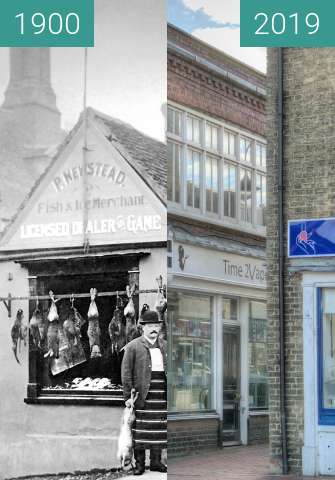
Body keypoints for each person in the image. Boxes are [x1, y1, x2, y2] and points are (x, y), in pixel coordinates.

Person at [121, 310, 167, 475]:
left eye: (156, 325)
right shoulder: (133, 347)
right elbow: (126, 372)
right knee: (140, 431)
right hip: (142, 395)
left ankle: (156, 462)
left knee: (159, 429)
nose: (154, 329)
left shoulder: (164, 345)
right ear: (143, 328)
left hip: (161, 394)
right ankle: (140, 464)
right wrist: (128, 396)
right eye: (150, 326)